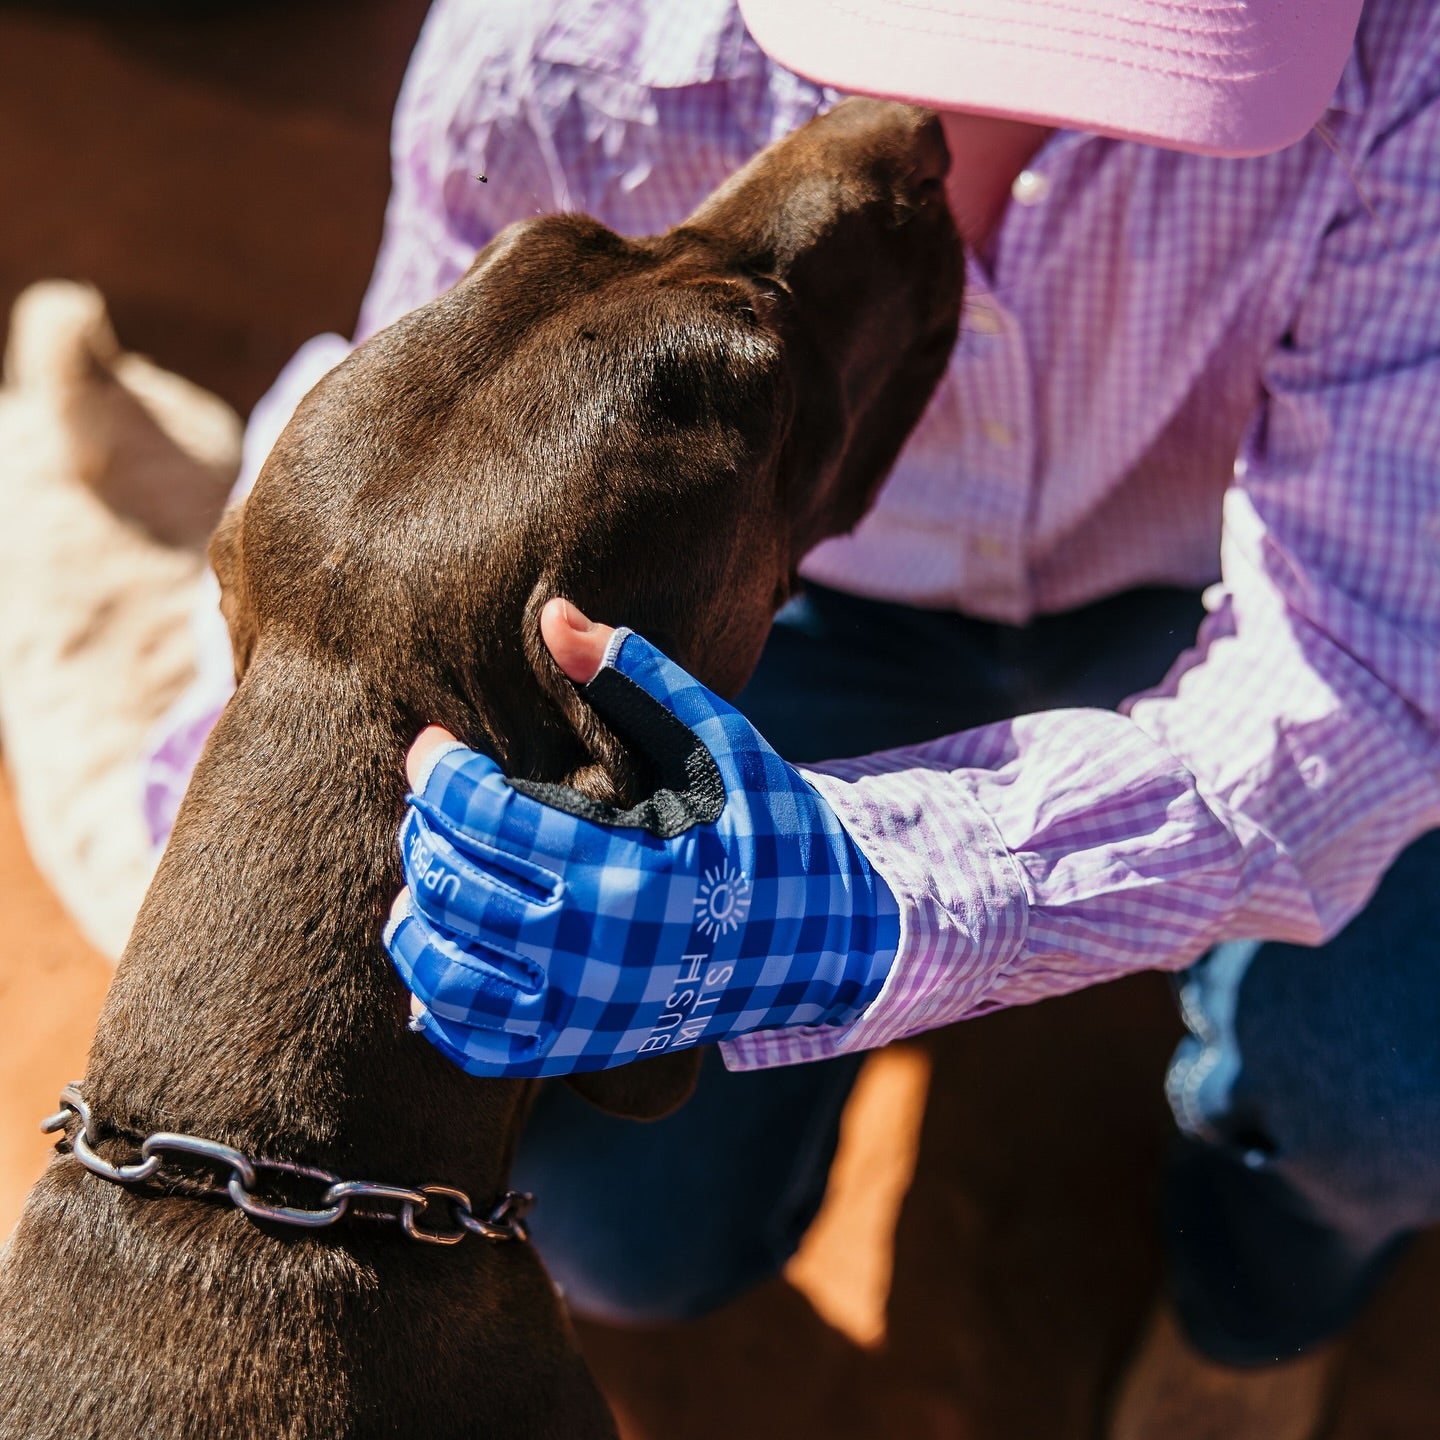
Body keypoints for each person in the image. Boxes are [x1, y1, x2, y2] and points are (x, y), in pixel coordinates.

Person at [126, 0, 1439, 1435]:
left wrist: (881, 897)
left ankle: (1257, 1309)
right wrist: (245, 809)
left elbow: (1358, 672)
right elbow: (426, 472)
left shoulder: (1403, 69)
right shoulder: (557, 51)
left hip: (1227, 587)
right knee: (622, 1234)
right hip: (784, 632)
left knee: (1391, 1095)